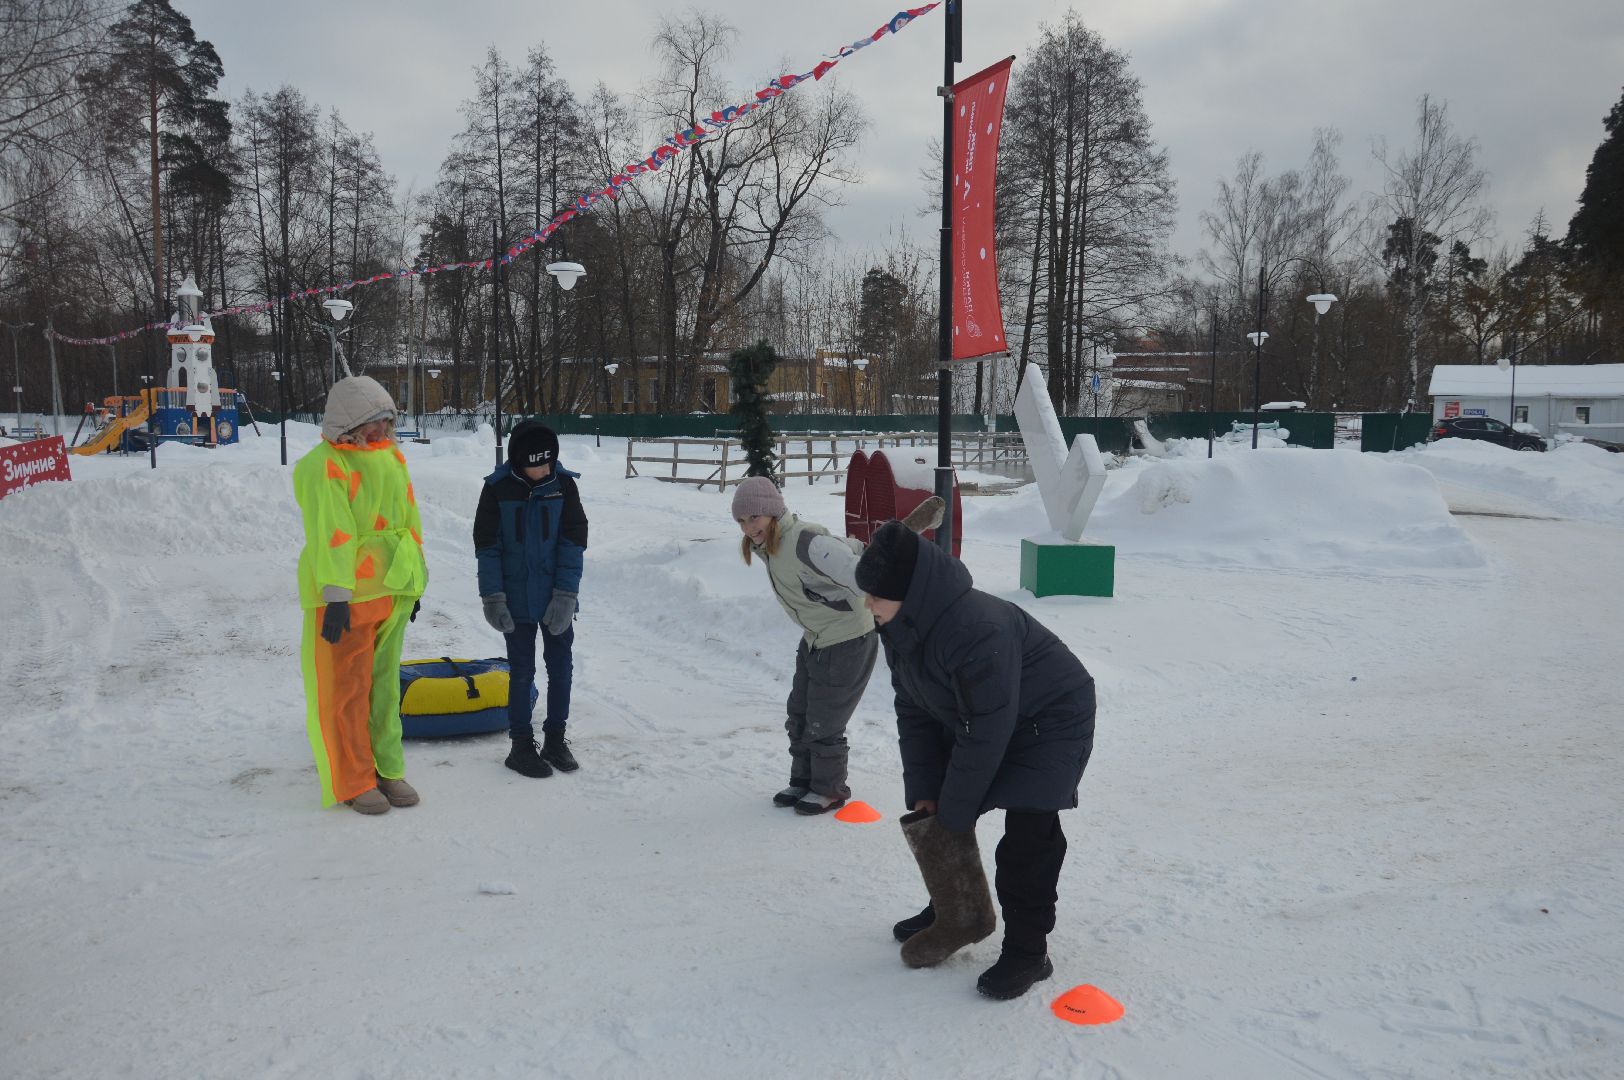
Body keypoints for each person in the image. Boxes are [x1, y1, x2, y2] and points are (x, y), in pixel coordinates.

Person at [855, 520, 1096, 1000]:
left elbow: (987, 732)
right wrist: (928, 791)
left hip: (1051, 720)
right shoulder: (901, 626)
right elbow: (913, 709)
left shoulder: (974, 627)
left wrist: (954, 810)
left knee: (1029, 836)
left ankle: (1029, 952)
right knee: (937, 810)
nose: (868, 605)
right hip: (984, 716)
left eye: (875, 595)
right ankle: (956, 910)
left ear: (908, 593)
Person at [734, 475, 944, 816]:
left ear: (772, 513)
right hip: (816, 637)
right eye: (741, 521)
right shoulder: (771, 544)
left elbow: (861, 575)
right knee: (799, 714)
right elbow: (850, 550)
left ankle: (828, 789)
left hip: (848, 639)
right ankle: (804, 780)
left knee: (824, 720)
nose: (748, 527)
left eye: (754, 518)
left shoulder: (804, 542)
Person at [294, 376, 427, 815]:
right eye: (374, 422)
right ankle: (353, 777)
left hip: (392, 589)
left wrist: (415, 580)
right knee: (346, 691)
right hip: (347, 599)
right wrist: (335, 596)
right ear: (350, 423)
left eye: (386, 422)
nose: (382, 431)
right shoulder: (325, 465)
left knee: (385, 688)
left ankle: (388, 768)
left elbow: (410, 518)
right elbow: (331, 532)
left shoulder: (391, 457)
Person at [475, 420, 588, 778]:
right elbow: (487, 547)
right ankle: (521, 745)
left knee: (561, 668)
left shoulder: (564, 486)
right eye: (534, 463)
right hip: (514, 600)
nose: (542, 469)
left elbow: (573, 543)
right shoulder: (497, 490)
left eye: (547, 462)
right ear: (517, 461)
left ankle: (556, 737)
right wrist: (492, 597)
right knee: (522, 672)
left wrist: (567, 595)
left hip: (556, 597)